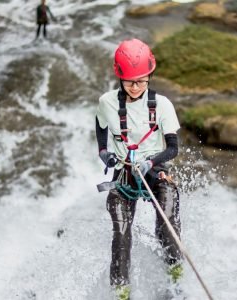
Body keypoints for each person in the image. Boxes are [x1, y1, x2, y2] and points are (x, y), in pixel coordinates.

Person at [95, 38, 182, 298]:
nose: (135, 87)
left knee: (166, 223)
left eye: (142, 81)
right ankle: (121, 291)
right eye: (130, 81)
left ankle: (175, 272)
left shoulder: (163, 105)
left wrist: (151, 162)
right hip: (123, 173)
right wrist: (103, 153)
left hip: (155, 171)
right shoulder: (107, 102)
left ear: (149, 76)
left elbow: (173, 148)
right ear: (120, 78)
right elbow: (100, 129)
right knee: (121, 233)